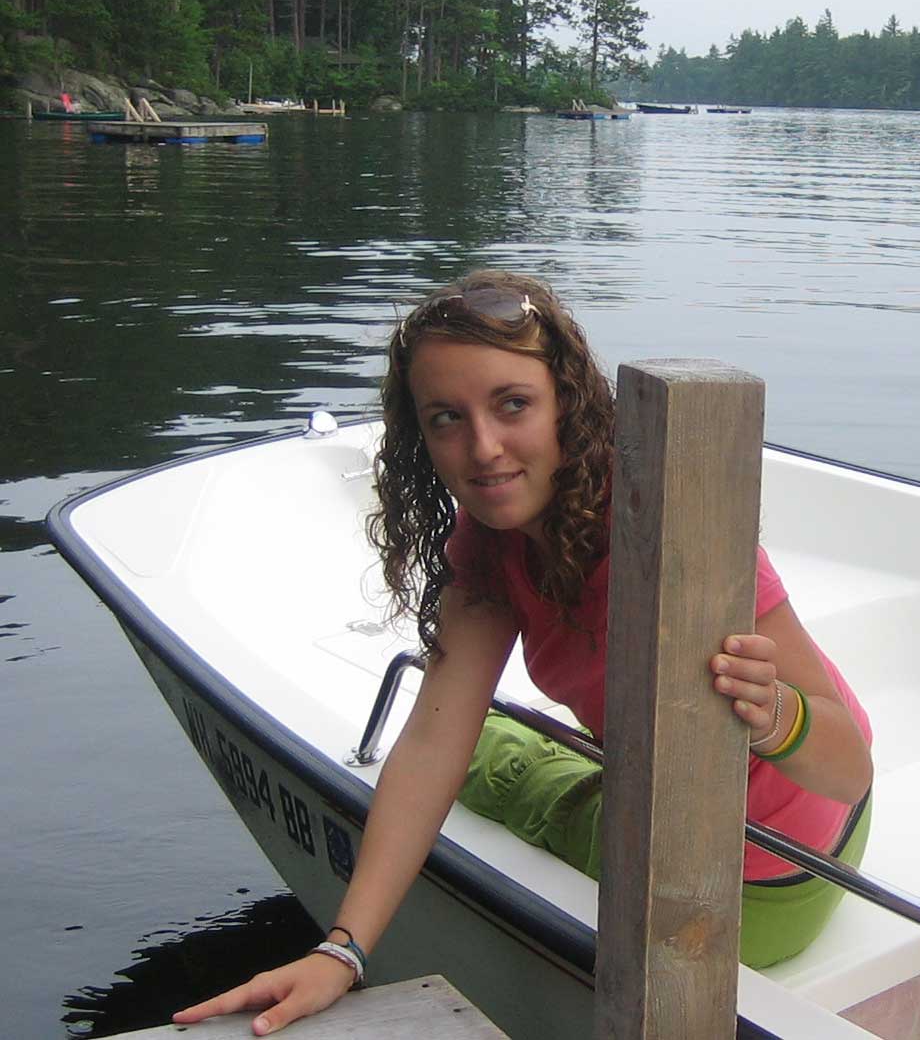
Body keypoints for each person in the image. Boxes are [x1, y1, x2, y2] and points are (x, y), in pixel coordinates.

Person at [176, 269, 873, 1036]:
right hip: (770, 835)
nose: (482, 448)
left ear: (567, 403)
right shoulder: (490, 544)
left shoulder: (671, 530)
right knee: (465, 740)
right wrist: (342, 952)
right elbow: (437, 733)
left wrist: (776, 718)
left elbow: (850, 768)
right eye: (446, 418)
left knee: (497, 764)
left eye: (513, 405)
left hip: (751, 888)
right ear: (418, 436)